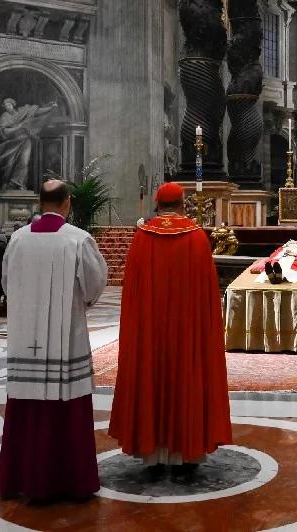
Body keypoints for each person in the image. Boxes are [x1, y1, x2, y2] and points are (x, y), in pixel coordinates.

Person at [108, 182, 231, 483]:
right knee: (186, 377)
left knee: (151, 375)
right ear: (182, 203)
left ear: (157, 203)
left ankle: (152, 455)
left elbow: (132, 294)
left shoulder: (142, 237)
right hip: (187, 329)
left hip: (150, 330)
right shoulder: (197, 238)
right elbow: (207, 296)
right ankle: (187, 453)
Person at [0, 180, 107, 502]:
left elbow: (6, 283)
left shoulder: (16, 240)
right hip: (66, 336)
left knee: (25, 402)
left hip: (23, 334)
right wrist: (80, 304)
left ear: (40, 202)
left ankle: (21, 478)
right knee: (66, 404)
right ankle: (68, 481)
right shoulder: (78, 239)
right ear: (67, 203)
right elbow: (94, 285)